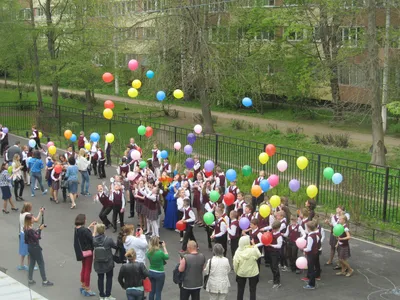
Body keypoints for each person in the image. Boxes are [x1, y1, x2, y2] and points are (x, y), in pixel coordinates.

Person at [23, 214, 53, 286]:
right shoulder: (30, 230)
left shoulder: (26, 228)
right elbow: (37, 237)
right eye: (32, 218)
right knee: (41, 263)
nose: (34, 219)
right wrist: (40, 230)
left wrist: (37, 229)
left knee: (32, 263)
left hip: (30, 247)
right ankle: (44, 281)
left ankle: (30, 279)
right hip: (35, 247)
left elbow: (32, 236)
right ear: (30, 220)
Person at [73, 214, 97, 296]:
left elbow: (84, 232)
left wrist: (89, 227)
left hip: (81, 252)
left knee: (83, 268)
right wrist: (94, 230)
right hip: (88, 252)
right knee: (88, 270)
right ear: (83, 220)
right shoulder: (85, 231)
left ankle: (83, 284)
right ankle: (87, 287)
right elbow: (92, 238)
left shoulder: (76, 229)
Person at [92, 223, 117, 300]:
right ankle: (108, 295)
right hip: (108, 262)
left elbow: (92, 237)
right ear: (104, 230)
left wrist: (94, 231)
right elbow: (115, 246)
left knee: (100, 278)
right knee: (109, 278)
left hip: (98, 262)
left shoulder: (94, 240)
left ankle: (101, 295)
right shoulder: (108, 240)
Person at [233, 236, 261, 300]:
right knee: (253, 290)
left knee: (240, 291)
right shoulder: (252, 250)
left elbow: (235, 263)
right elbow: (259, 255)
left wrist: (236, 271)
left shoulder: (238, 251)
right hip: (253, 272)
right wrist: (254, 244)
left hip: (241, 273)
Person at [18, 203, 43, 271]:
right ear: (28, 208)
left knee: (23, 250)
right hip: (28, 233)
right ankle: (30, 266)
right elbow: (36, 220)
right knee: (29, 251)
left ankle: (21, 265)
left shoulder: (21, 213)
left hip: (22, 233)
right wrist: (40, 212)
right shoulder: (28, 215)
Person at [265, 221, 283, 289]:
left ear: (278, 228)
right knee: (272, 266)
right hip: (270, 251)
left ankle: (277, 282)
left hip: (275, 253)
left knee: (275, 267)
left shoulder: (279, 236)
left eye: (275, 229)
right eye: (273, 228)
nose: (273, 230)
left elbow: (279, 246)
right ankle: (274, 279)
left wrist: (271, 245)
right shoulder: (272, 232)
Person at [303, 221, 319, 290]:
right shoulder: (315, 234)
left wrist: (304, 249)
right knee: (311, 268)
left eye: (306, 227)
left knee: (311, 269)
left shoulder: (310, 237)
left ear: (309, 228)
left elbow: (309, 248)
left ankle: (312, 285)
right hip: (315, 253)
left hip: (311, 254)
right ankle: (310, 280)